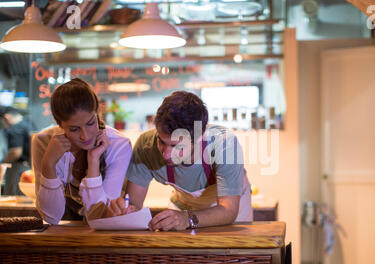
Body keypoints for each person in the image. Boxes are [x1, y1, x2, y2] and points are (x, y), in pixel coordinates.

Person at [108, 90, 253, 231]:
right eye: (162, 142)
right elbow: (133, 204)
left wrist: (186, 219)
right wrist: (122, 210)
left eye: (176, 145)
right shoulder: (146, 146)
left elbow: (228, 210)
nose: (166, 154)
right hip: (183, 205)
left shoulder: (225, 144)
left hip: (227, 207)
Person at [31, 78, 132, 224]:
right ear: (59, 124)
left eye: (90, 123)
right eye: (74, 129)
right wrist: (49, 163)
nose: (85, 135)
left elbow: (100, 219)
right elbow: (51, 217)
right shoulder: (43, 142)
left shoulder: (118, 145)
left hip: (107, 233)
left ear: (97, 113)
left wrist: (93, 161)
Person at [1, 107, 31, 195]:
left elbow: (15, 152)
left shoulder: (16, 128)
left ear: (6, 118)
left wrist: (2, 161)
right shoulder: (28, 124)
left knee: (14, 199)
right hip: (30, 168)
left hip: (19, 169)